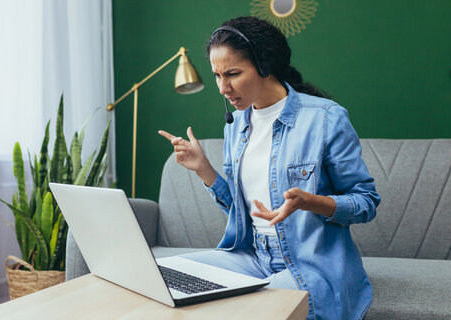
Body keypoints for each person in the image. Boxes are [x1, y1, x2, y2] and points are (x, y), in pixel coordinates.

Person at [158, 16, 380, 320]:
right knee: (162, 276)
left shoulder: (326, 118)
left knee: (249, 312)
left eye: (233, 74)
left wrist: (311, 202)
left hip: (310, 265)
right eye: (217, 75)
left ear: (265, 65)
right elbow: (242, 211)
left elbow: (366, 202)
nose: (223, 87)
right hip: (252, 256)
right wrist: (203, 169)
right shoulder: (236, 125)